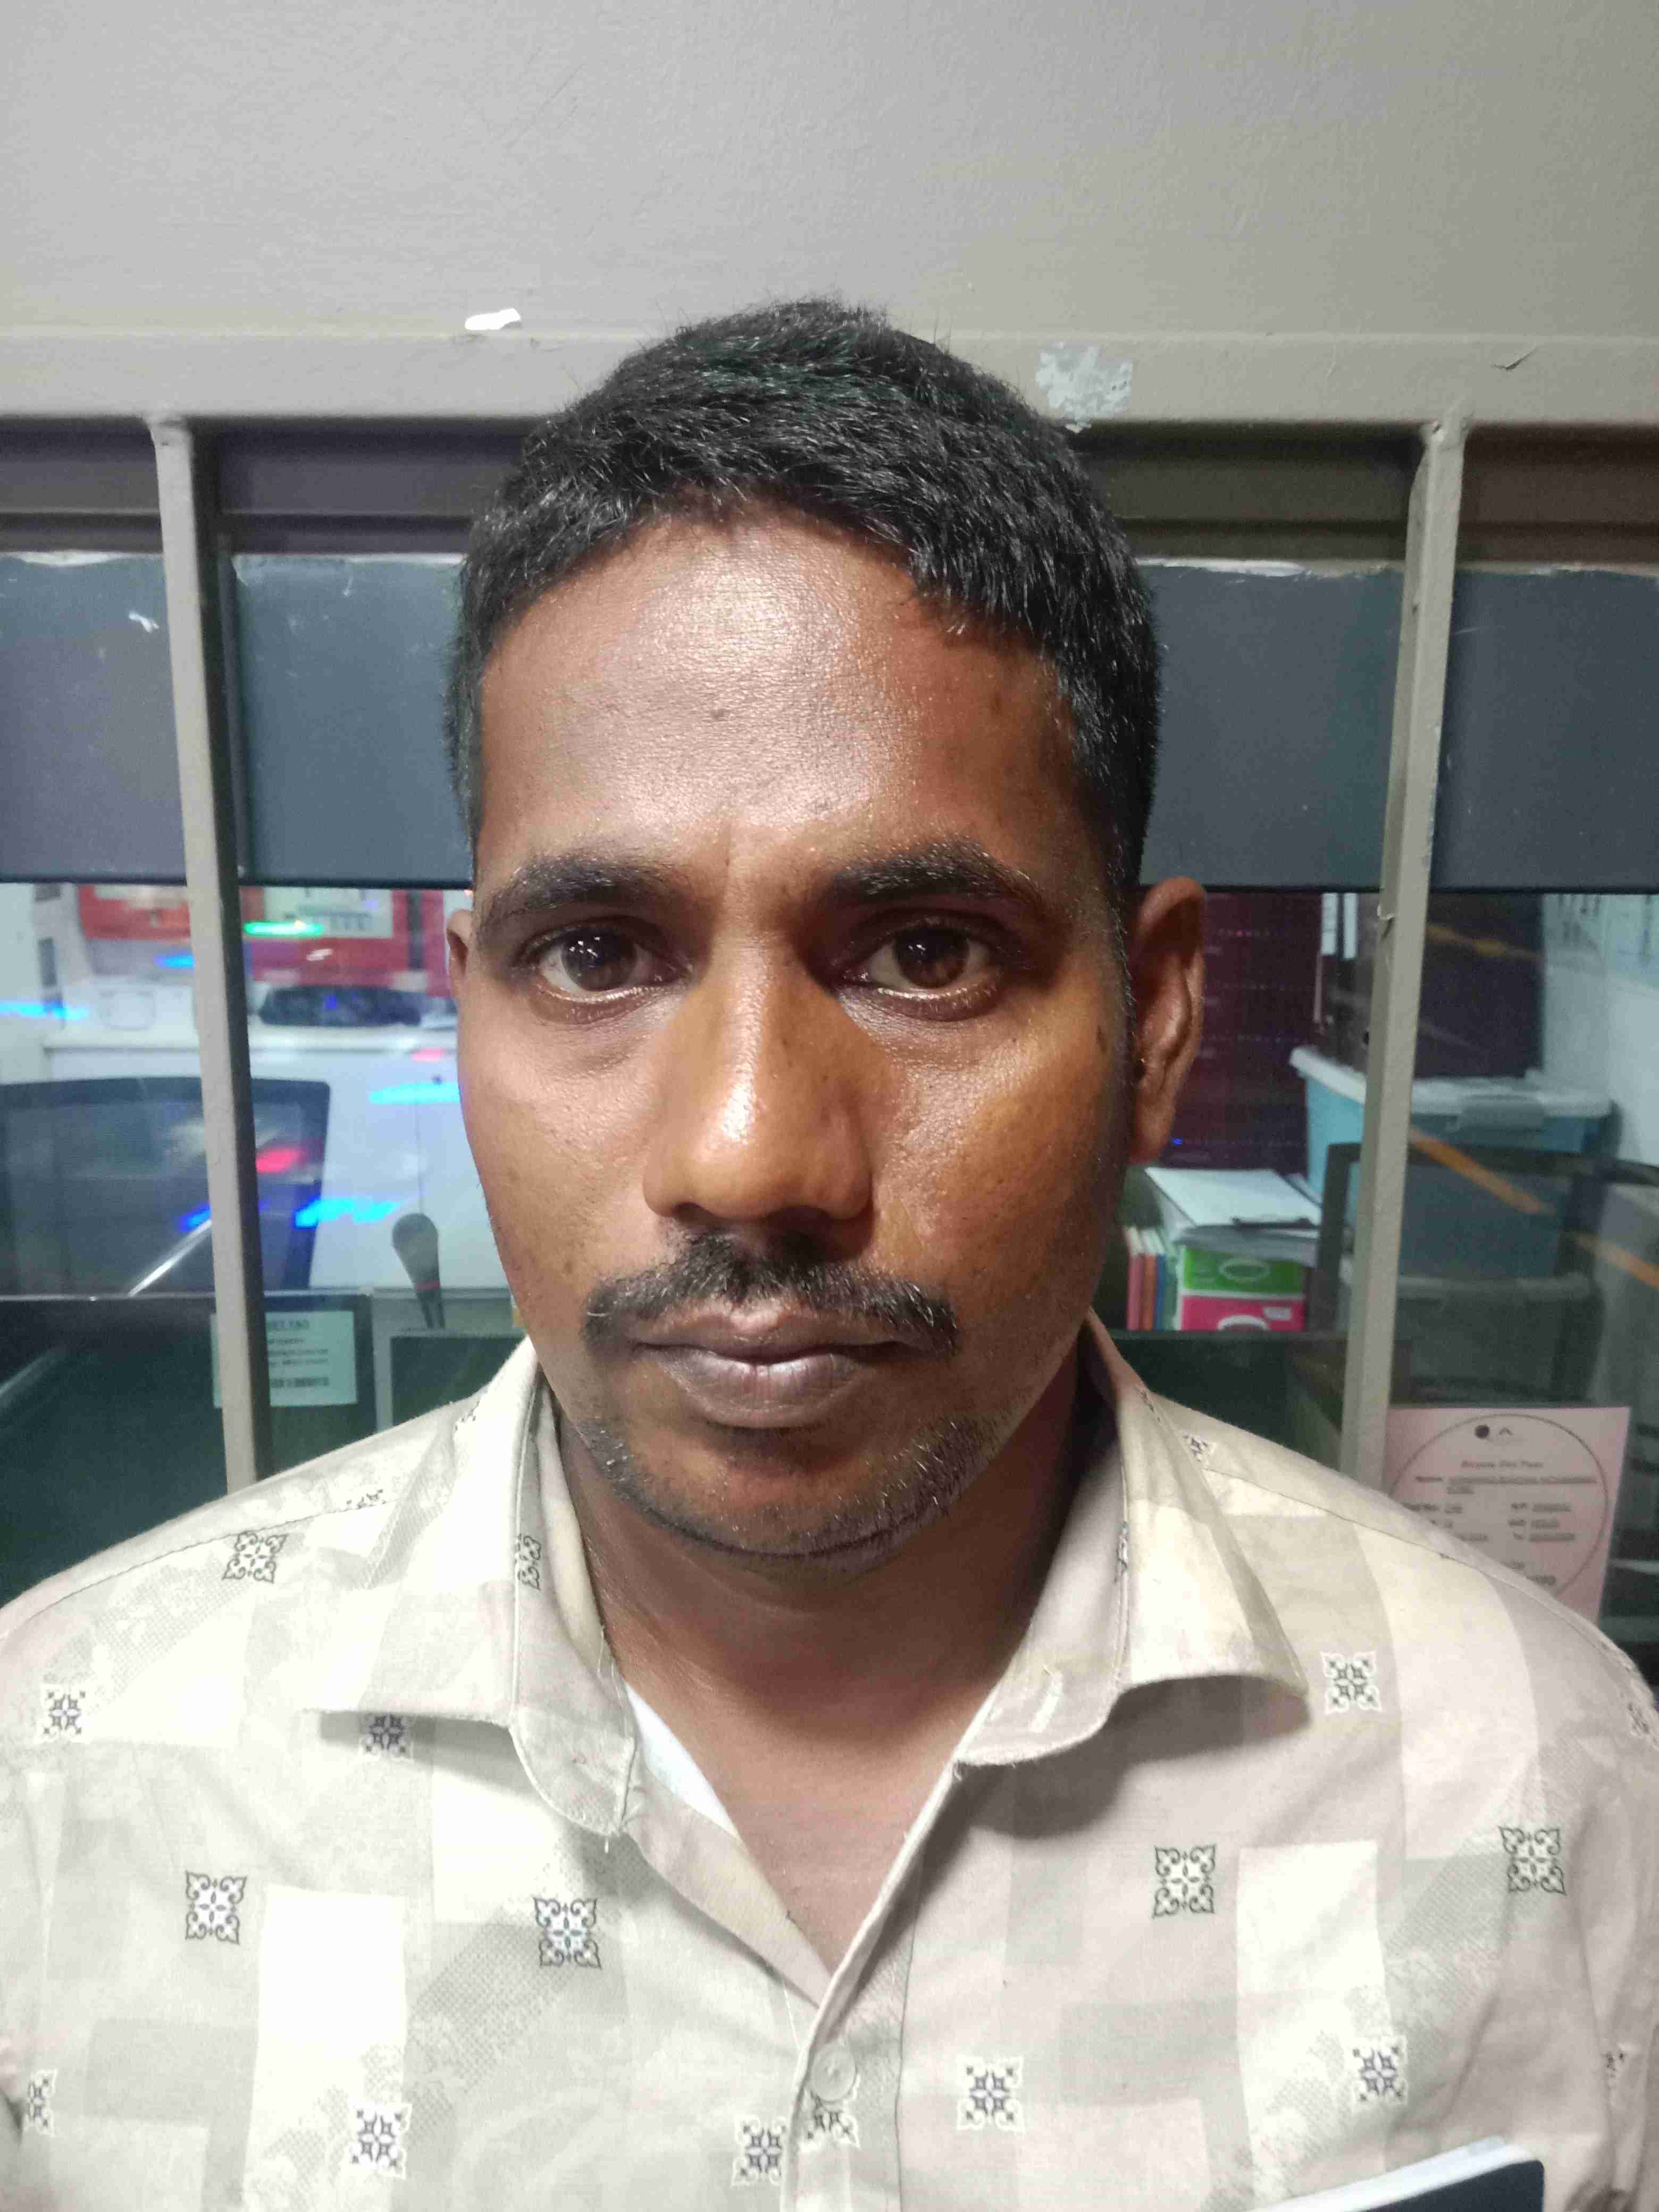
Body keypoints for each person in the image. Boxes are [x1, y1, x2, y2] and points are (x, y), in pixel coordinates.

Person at [2, 301, 1654, 2210]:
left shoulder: (1539, 1782)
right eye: (598, 955)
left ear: (1158, 1028)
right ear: (466, 1011)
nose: (748, 1155)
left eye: (927, 954)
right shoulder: (63, 1781)